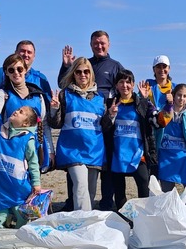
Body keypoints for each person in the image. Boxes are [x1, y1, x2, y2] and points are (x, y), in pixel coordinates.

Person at [59, 31, 125, 211]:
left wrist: (112, 112)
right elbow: (62, 85)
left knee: (95, 182)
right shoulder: (82, 66)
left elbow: (124, 87)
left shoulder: (114, 66)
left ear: (109, 44)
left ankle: (105, 205)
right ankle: (81, 215)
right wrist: (66, 67)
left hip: (101, 124)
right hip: (75, 141)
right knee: (78, 183)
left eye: (102, 43)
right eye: (96, 43)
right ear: (91, 45)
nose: (99, 46)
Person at [49, 57, 105, 211]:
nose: (83, 75)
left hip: (94, 151)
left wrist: (111, 116)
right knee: (80, 186)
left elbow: (105, 125)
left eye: (86, 71)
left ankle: (81, 218)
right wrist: (54, 109)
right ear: (74, 74)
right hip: (72, 151)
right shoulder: (65, 95)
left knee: (90, 191)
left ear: (91, 74)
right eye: (79, 72)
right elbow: (56, 123)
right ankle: (83, 222)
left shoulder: (100, 99)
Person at [0, 103, 43, 229]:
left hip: (17, 187)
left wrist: (36, 183)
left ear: (25, 123)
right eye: (18, 109)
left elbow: (33, 163)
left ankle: (19, 237)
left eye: (21, 112)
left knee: (21, 216)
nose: (16, 111)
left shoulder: (27, 139)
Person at [101, 69, 158, 210]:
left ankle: (143, 216)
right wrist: (111, 115)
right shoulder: (110, 103)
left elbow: (157, 122)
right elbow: (104, 128)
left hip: (138, 155)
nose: (124, 85)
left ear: (133, 85)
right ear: (116, 85)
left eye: (128, 82)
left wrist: (147, 101)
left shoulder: (141, 103)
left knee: (144, 183)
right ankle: (124, 218)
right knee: (119, 193)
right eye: (121, 82)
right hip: (117, 155)